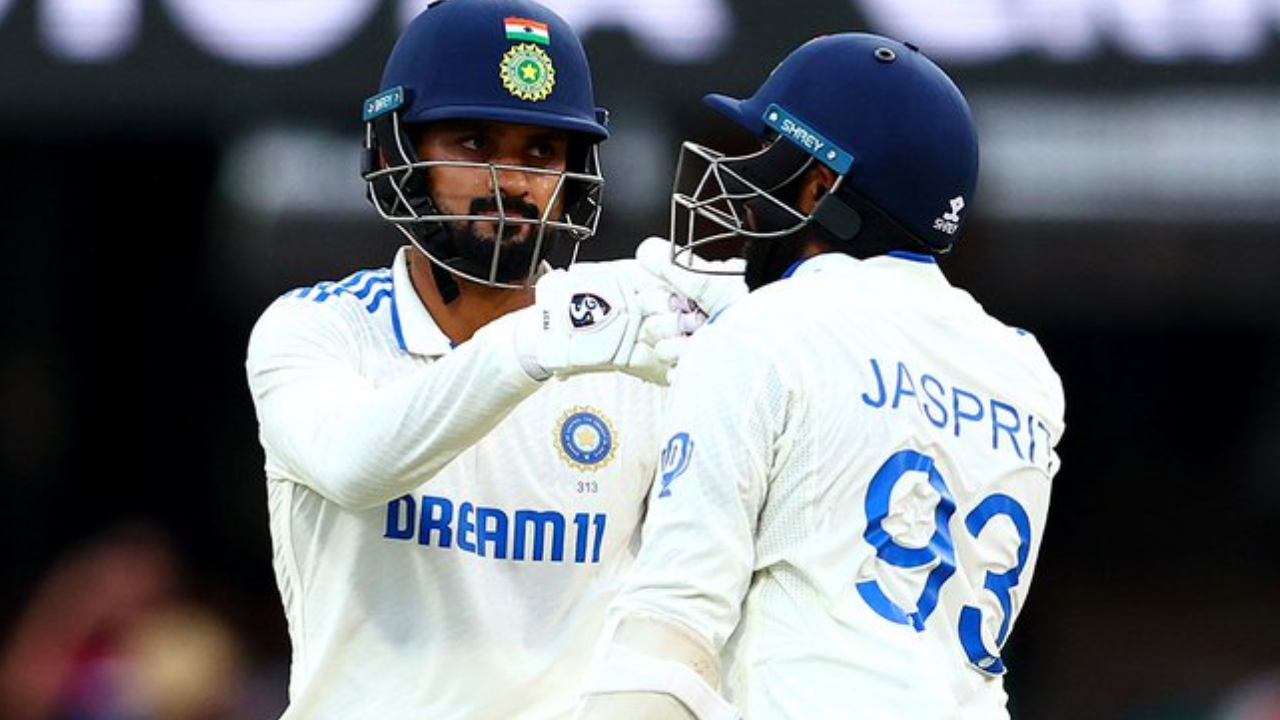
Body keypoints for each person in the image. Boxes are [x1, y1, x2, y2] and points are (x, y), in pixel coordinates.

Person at [573, 33, 1068, 720]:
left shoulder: (763, 335)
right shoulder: (1026, 371)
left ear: (818, 185)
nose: (745, 190)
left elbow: (668, 638)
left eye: (770, 156)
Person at [243, 1, 701, 718]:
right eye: (475, 143)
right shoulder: (315, 330)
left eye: (541, 155)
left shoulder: (632, 351)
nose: (512, 183)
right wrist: (537, 342)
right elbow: (356, 464)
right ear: (396, 153)